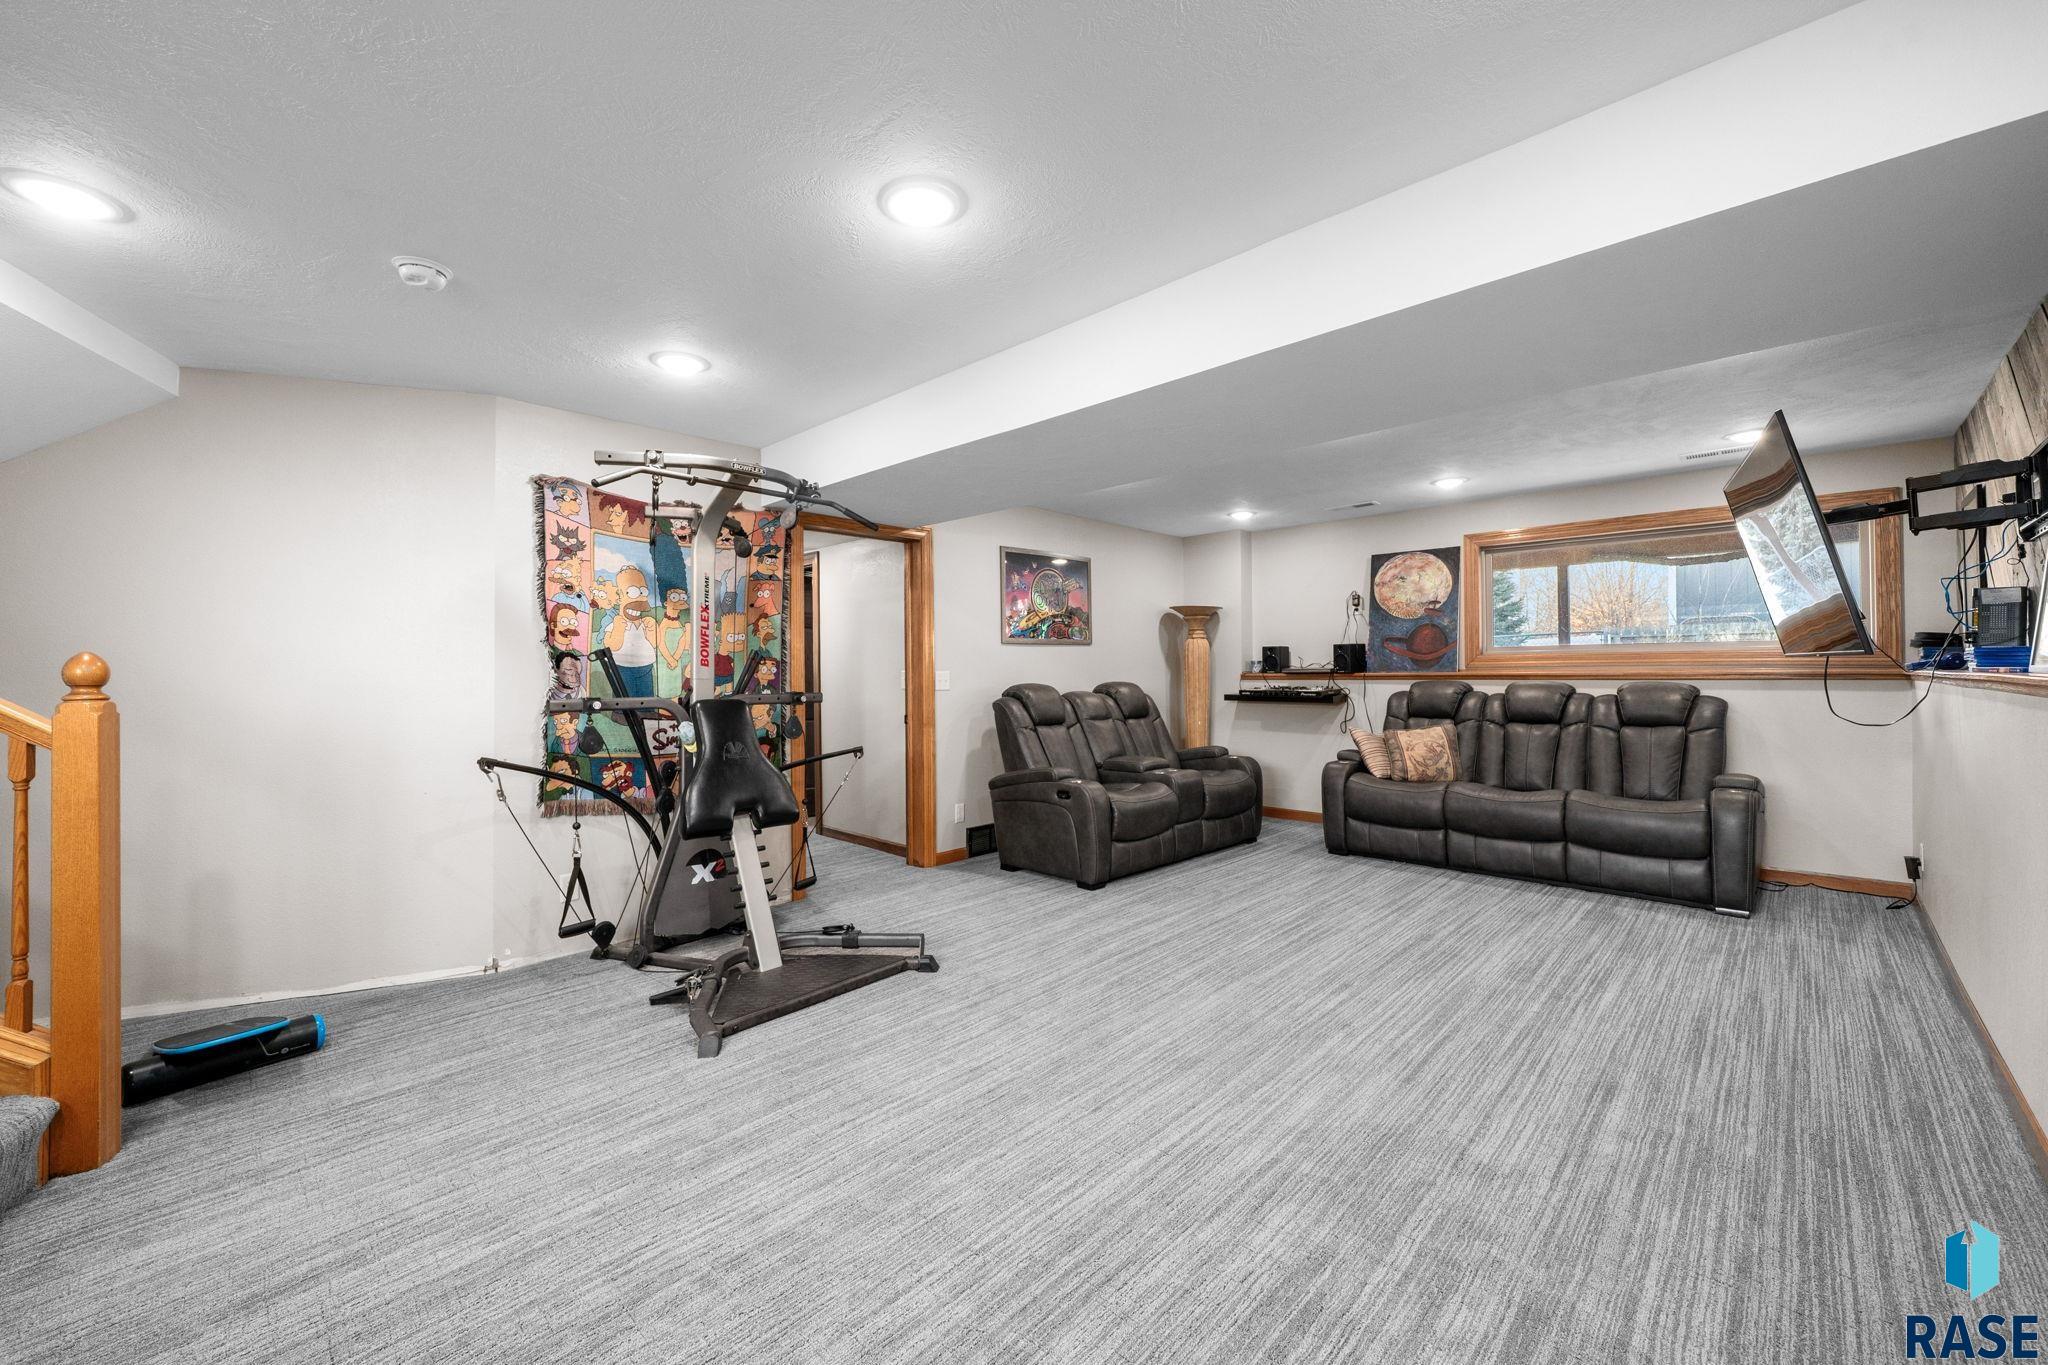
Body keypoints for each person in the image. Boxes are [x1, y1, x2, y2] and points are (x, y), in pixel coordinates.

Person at [605, 564, 660, 693]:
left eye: (643, 592)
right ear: (619, 596)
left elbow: (655, 643)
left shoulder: (646, 624)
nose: (641, 599)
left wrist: (652, 630)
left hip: (646, 666)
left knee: (646, 696)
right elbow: (611, 647)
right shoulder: (615, 625)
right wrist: (618, 630)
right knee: (624, 698)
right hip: (621, 668)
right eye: (633, 592)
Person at [655, 588, 689, 698]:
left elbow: (682, 641)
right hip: (664, 660)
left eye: (683, 598)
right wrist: (670, 659)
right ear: (666, 603)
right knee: (664, 688)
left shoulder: (679, 623)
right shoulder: (664, 624)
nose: (680, 601)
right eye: (674, 597)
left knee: (676, 688)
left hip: (676, 661)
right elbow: (660, 643)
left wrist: (675, 659)